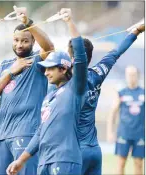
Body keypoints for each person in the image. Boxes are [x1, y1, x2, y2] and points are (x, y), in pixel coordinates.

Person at [6, 8, 87, 175]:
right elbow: (40, 132)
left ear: (64, 69)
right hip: (44, 161)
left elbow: (80, 55)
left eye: (50, 69)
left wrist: (69, 22)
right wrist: (21, 160)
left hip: (65, 160)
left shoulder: (75, 88)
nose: (46, 73)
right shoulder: (48, 97)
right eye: (45, 69)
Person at [0, 6, 54, 175]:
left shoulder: (38, 60)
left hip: (28, 133)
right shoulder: (5, 66)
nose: (19, 45)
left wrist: (28, 22)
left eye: (25, 41)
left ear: (33, 42)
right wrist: (11, 72)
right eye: (16, 40)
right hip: (2, 135)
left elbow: (50, 48)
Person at [68, 22, 145, 174]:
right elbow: (116, 52)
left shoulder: (69, 80)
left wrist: (69, 21)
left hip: (76, 150)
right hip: (94, 149)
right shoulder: (98, 73)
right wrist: (136, 32)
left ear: (73, 59)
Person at [107, 65, 145, 175]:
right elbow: (112, 113)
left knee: (139, 164)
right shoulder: (121, 93)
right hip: (124, 133)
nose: (131, 77)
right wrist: (110, 132)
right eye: (128, 75)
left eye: (133, 75)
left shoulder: (143, 93)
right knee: (121, 163)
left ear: (137, 75)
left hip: (140, 134)